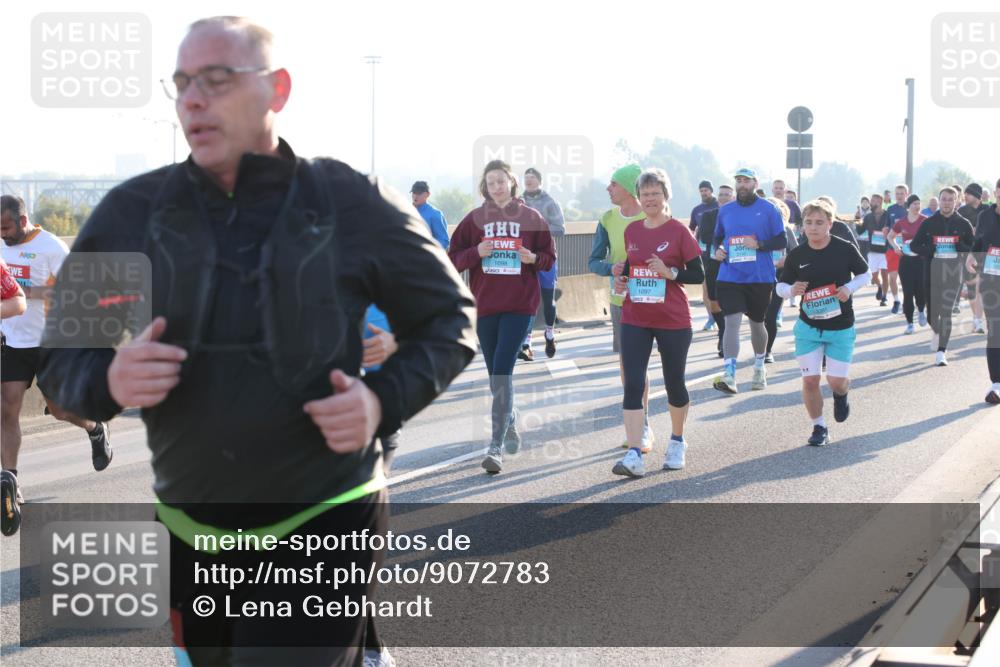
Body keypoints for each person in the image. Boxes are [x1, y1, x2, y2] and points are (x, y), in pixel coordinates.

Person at [37, 17, 477, 666]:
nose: (192, 98)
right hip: (191, 539)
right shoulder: (133, 212)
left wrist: (381, 401)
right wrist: (108, 381)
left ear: (278, 89)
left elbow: (449, 319)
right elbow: (60, 360)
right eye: (183, 82)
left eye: (216, 79)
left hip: (324, 522)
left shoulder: (350, 201)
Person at [2, 195, 113, 509]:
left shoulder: (51, 247)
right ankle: (10, 481)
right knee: (6, 410)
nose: (2, 234)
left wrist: (27, 292)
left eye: (6, 227)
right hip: (12, 341)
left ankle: (94, 427)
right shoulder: (0, 245)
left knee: (61, 409)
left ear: (23, 221)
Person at [449, 159, 555, 474]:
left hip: (520, 305)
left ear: (511, 182)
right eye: (491, 181)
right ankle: (509, 420)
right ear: (485, 186)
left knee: (501, 371)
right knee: (497, 373)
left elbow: (549, 259)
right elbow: (452, 259)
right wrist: (475, 253)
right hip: (485, 306)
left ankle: (495, 446)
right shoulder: (474, 219)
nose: (496, 186)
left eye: (501, 180)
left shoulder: (532, 217)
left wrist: (533, 258)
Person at [611, 169, 703, 478]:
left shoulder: (679, 231)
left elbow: (698, 274)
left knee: (673, 381)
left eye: (656, 193)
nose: (650, 199)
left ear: (666, 196)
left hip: (673, 319)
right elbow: (632, 270)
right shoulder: (633, 232)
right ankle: (635, 453)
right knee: (633, 383)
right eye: (645, 194)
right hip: (636, 316)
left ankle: (677, 441)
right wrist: (622, 282)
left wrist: (670, 272)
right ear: (638, 198)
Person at [776, 199, 871, 446]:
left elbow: (865, 274)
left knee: (836, 381)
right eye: (808, 222)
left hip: (840, 327)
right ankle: (819, 427)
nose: (813, 227)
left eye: (819, 222)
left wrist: (849, 288)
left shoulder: (845, 248)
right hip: (808, 327)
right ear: (802, 226)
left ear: (830, 223)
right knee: (810, 380)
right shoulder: (797, 255)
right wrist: (791, 290)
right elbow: (780, 286)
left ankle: (841, 395)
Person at [588, 164, 654, 451]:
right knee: (629, 364)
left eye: (613, 183)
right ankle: (638, 426)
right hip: (620, 300)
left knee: (640, 364)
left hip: (652, 298)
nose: (608, 189)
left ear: (629, 187)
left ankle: (644, 423)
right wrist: (609, 268)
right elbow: (593, 261)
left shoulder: (652, 216)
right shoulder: (607, 218)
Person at [712, 167, 787, 393]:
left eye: (746, 181)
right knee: (731, 322)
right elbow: (716, 239)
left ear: (755, 183)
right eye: (739, 181)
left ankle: (758, 367)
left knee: (757, 323)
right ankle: (730, 374)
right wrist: (718, 251)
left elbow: (781, 240)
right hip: (730, 275)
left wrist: (760, 244)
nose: (742, 185)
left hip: (759, 276)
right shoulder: (726, 211)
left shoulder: (769, 209)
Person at [909, 187, 976, 366]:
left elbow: (973, 250)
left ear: (956, 202)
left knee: (946, 312)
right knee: (932, 315)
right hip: (931, 272)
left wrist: (959, 245)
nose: (946, 203)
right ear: (939, 201)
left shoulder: (964, 224)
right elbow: (915, 246)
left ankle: (941, 352)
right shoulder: (929, 223)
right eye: (944, 199)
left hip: (953, 275)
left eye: (950, 200)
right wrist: (930, 249)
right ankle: (937, 332)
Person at [521, 167, 565, 359]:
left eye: (532, 178)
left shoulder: (549, 202)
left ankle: (549, 333)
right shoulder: (518, 201)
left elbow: (560, 229)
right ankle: (526, 342)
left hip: (545, 256)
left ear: (539, 181)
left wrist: (539, 231)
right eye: (526, 178)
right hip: (523, 257)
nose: (528, 181)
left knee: (547, 299)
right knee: (526, 300)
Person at [966, 178, 1000, 404]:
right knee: (995, 329)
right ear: (997, 192)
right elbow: (979, 242)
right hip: (992, 279)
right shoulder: (985, 216)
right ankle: (996, 383)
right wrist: (970, 255)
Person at [695, 184, 734, 357]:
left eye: (727, 194)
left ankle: (726, 336)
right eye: (721, 194)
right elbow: (705, 236)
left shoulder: (738, 215)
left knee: (730, 300)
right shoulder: (709, 215)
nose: (724, 197)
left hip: (735, 263)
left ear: (733, 197)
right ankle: (722, 328)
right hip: (713, 262)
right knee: (713, 299)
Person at [763, 197, 801, 362]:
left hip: (779, 277)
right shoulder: (759, 228)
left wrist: (786, 258)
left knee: (770, 316)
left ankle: (767, 351)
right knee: (758, 317)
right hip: (758, 277)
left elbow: (797, 252)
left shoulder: (786, 229)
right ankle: (760, 347)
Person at [887, 194, 928, 334]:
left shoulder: (925, 221)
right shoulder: (902, 222)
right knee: (908, 292)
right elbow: (890, 236)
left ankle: (921, 310)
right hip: (906, 261)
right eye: (914, 203)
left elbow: (931, 239)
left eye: (919, 203)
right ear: (908, 206)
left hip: (921, 261)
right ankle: (910, 323)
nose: (917, 206)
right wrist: (895, 247)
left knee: (920, 291)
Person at [690, 180, 719, 331]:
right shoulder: (697, 210)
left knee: (721, 286)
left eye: (706, 190)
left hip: (721, 253)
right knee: (706, 287)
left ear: (711, 191)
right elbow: (691, 230)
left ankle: (724, 316)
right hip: (704, 253)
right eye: (701, 191)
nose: (704, 193)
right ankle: (711, 318)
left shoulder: (719, 206)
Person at [958, 183, 987, 333]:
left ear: (976, 195)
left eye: (968, 194)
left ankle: (978, 320)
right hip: (966, 254)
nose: (965, 196)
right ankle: (977, 319)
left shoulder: (988, 210)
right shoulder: (961, 211)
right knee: (971, 289)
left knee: (980, 288)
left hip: (984, 254)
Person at [861, 193, 892, 306]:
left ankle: (884, 297)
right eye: (871, 201)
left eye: (874, 201)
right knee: (874, 276)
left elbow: (894, 227)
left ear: (880, 201)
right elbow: (860, 230)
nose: (872, 203)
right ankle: (879, 286)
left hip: (885, 249)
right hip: (872, 250)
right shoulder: (868, 217)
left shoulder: (888, 215)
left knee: (884, 273)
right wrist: (857, 221)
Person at [410, 180, 450, 250]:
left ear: (427, 194)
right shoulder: (407, 211)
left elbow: (443, 241)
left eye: (418, 193)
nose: (415, 196)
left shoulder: (435, 214)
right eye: (413, 193)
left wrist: (427, 251)